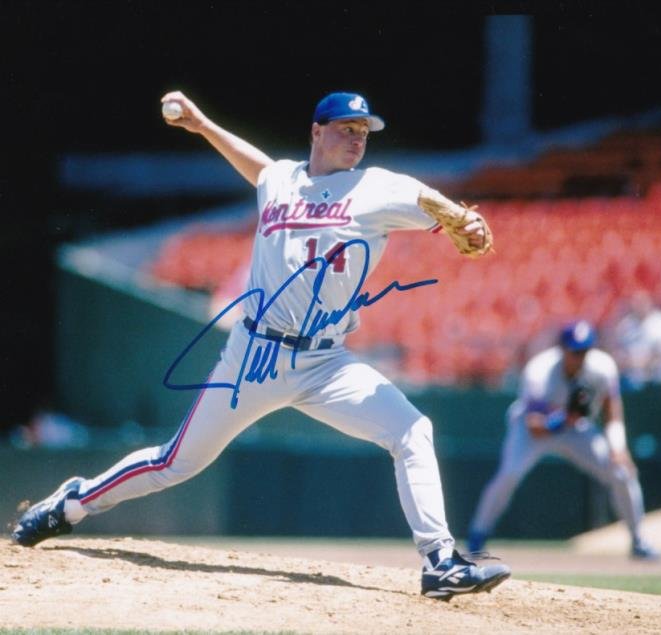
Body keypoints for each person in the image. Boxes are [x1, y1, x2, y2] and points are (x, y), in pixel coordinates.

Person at [11, 90, 510, 601]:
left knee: (412, 430)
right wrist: (203, 125)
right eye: (346, 128)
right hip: (254, 356)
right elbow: (261, 168)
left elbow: (438, 208)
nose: (357, 138)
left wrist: (465, 223)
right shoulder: (280, 180)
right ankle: (73, 503)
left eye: (363, 131)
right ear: (316, 132)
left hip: (327, 362)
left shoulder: (378, 188)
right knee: (174, 463)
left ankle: (439, 561)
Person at [467, 320, 659, 560]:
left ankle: (638, 539)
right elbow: (534, 426)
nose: (580, 357)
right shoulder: (540, 370)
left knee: (622, 472)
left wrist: (618, 448)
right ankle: (477, 535)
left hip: (576, 429)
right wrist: (564, 418)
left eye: (585, 350)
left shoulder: (602, 367)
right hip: (532, 431)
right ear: (563, 349)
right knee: (509, 474)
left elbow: (612, 411)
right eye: (575, 351)